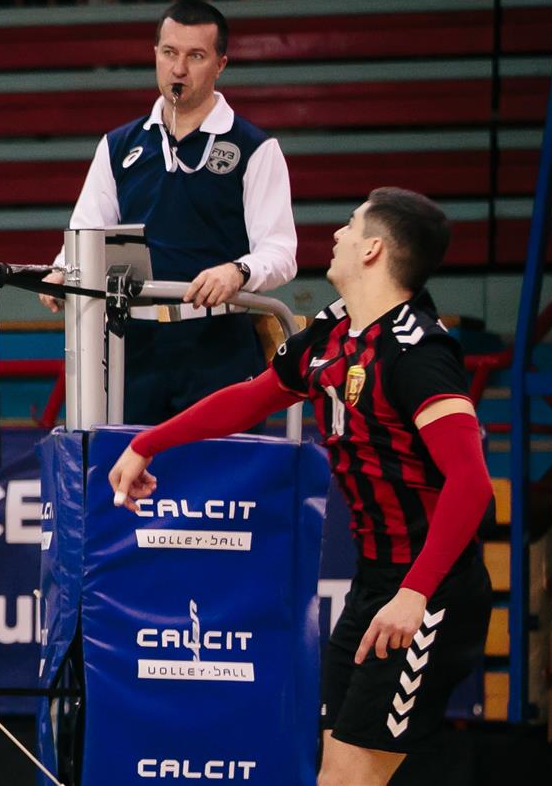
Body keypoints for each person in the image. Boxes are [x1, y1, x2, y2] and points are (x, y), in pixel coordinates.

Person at [108, 188, 493, 786]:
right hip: (375, 586)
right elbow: (251, 398)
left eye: (350, 225)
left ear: (373, 249)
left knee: (349, 780)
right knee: (334, 775)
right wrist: (147, 443)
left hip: (428, 593)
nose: (337, 234)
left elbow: (471, 484)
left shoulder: (418, 351)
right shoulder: (333, 331)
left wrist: (415, 594)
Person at [41, 0, 297, 424]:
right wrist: (63, 270)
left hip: (218, 348)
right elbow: (86, 232)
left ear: (220, 65)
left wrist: (237, 271)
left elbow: (281, 251)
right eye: (169, 53)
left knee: (217, 465)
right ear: (155, 55)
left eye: (195, 56)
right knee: (125, 465)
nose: (179, 69)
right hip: (131, 349)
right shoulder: (118, 146)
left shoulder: (256, 148)